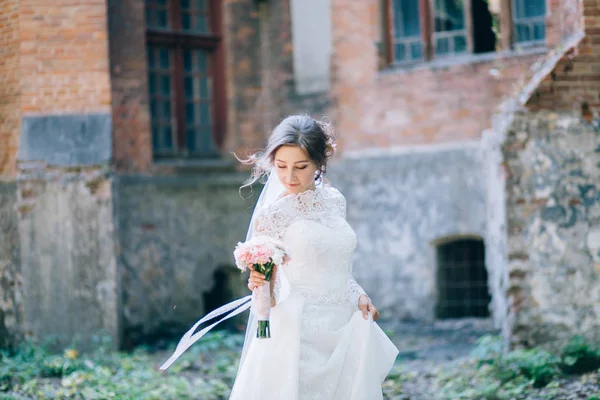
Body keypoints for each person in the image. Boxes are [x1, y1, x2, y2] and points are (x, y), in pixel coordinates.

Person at [229, 114, 399, 400]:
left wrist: (358, 293)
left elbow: (337, 264)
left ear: (319, 163)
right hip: (299, 333)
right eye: (281, 166)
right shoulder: (272, 217)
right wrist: (261, 284)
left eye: (300, 166)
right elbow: (271, 298)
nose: (289, 177)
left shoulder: (335, 201)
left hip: (344, 323)